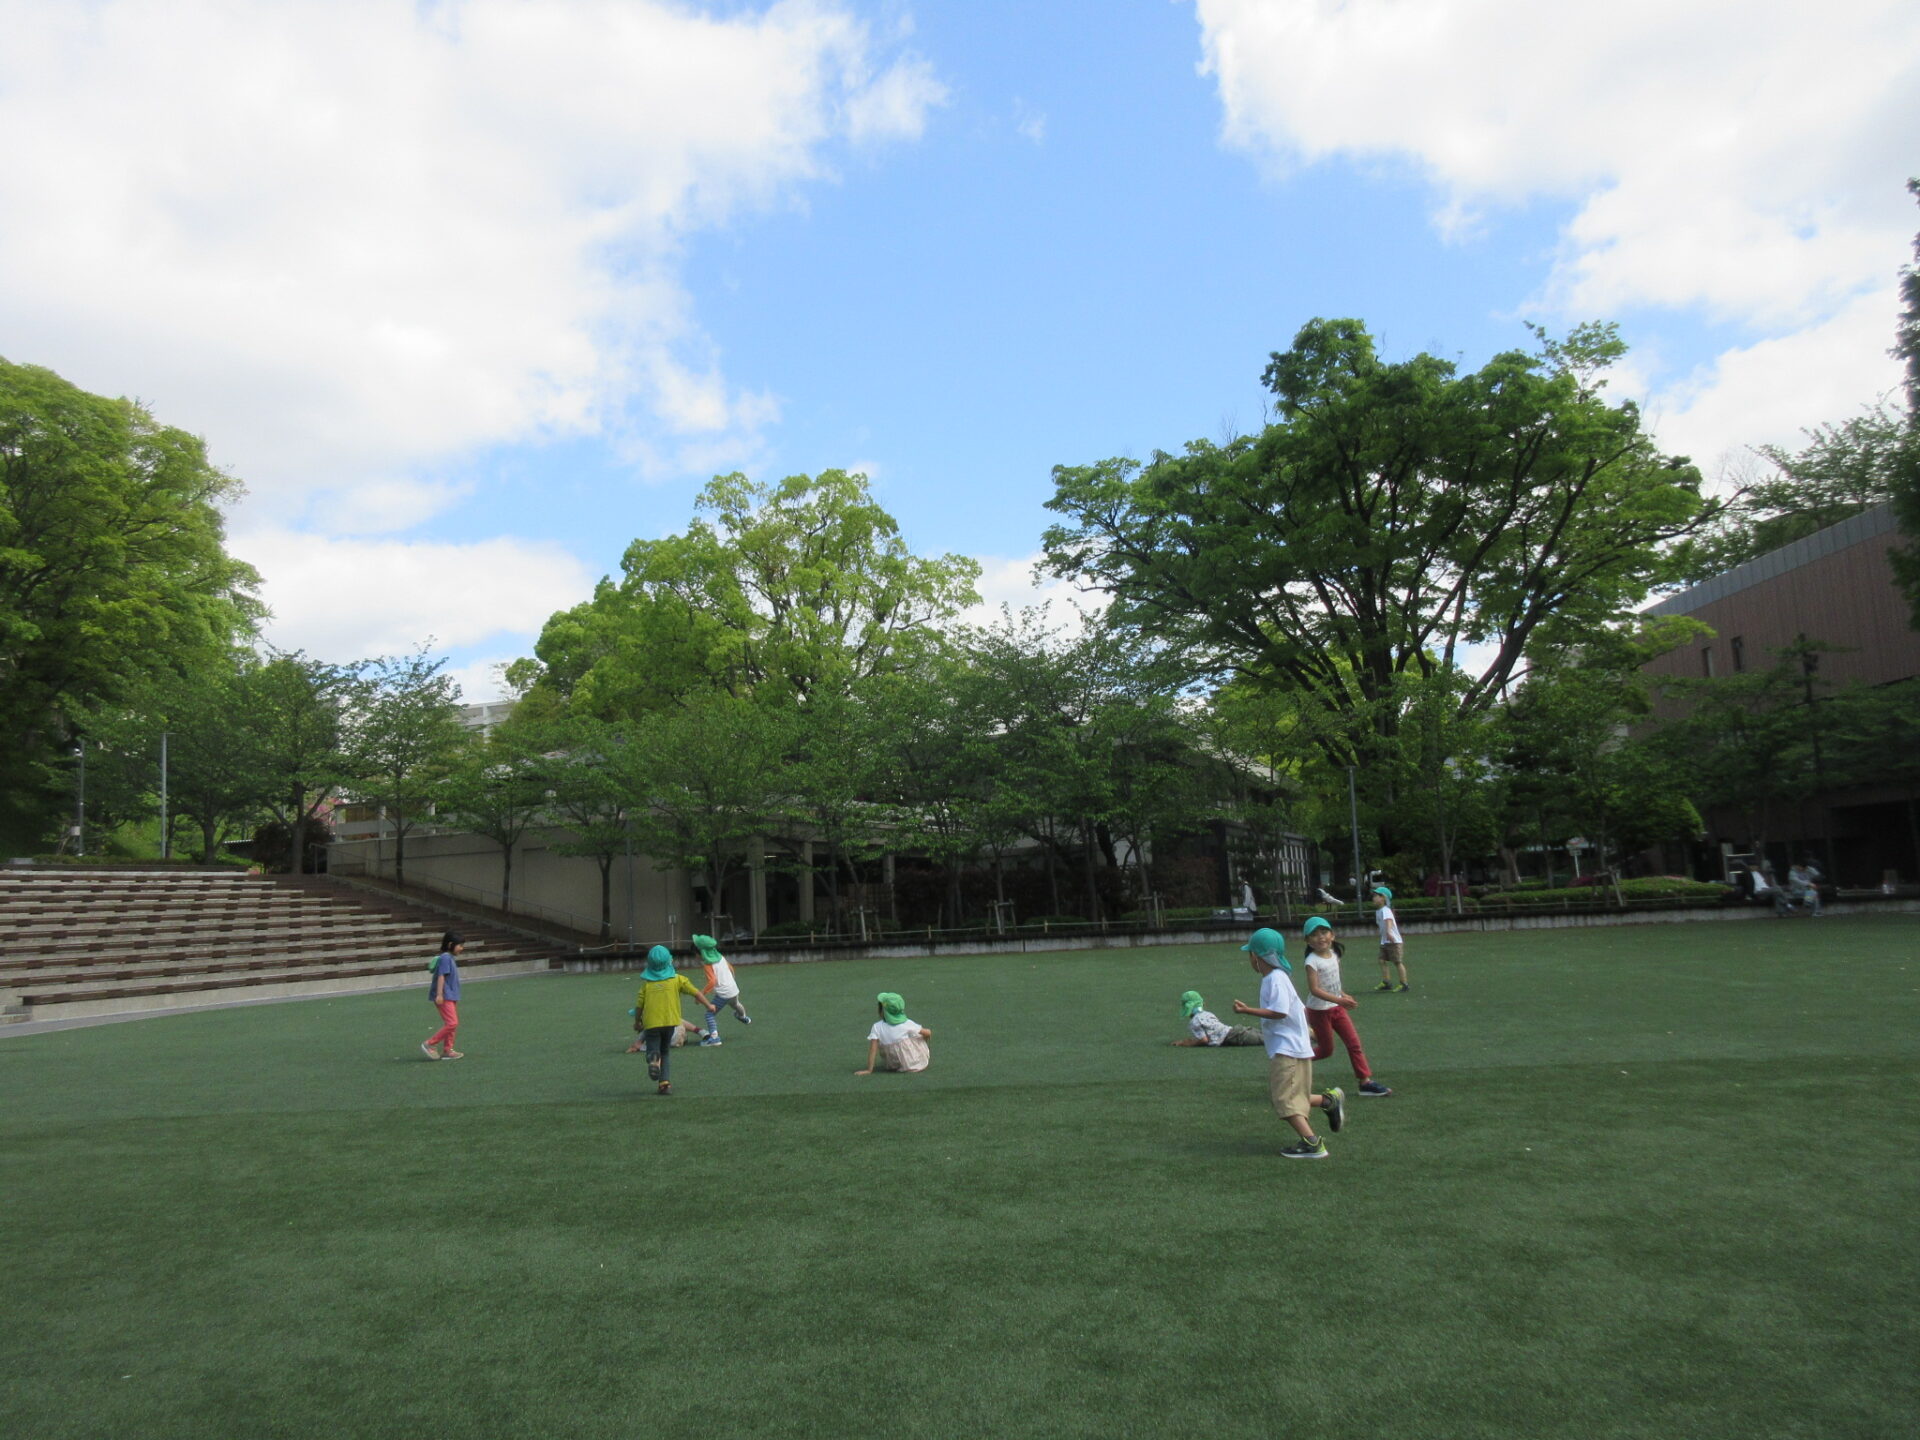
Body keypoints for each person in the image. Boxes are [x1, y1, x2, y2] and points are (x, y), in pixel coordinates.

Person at [1230, 927, 1343, 1159]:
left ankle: (1312, 1143)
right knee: (1294, 1094)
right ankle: (1329, 1101)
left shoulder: (1275, 979)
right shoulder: (1278, 978)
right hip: (1294, 1048)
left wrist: (1247, 1010)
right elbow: (1297, 1009)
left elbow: (1280, 1011)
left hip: (1287, 1050)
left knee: (1284, 1100)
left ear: (1256, 956)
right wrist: (1308, 1032)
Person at [1300, 918, 1392, 1096]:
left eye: (1324, 932)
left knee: (1354, 1043)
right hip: (1319, 1011)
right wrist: (1339, 1000)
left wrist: (1342, 994)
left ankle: (1365, 1082)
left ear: (1332, 935)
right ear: (1308, 941)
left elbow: (1333, 982)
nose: (1320, 937)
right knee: (1326, 1050)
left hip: (1336, 1007)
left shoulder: (1334, 955)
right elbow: (1315, 989)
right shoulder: (1312, 961)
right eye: (1314, 934)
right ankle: (1295, 1062)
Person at [634, 946, 716, 1096]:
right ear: (669, 962)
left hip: (651, 1024)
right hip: (671, 1023)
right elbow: (696, 992)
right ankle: (664, 1084)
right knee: (665, 1052)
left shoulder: (647, 984)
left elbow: (639, 1005)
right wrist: (708, 1005)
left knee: (654, 1050)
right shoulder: (678, 979)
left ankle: (653, 1059)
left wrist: (637, 1022)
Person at [692, 933, 752, 1044]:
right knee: (736, 1004)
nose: (695, 957)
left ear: (701, 953)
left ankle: (714, 1038)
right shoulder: (721, 958)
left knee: (709, 1014)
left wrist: (701, 994)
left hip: (723, 994)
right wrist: (731, 982)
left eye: (695, 954)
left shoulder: (708, 965)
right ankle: (743, 1017)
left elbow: (712, 981)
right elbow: (731, 968)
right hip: (733, 989)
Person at [856, 992, 932, 1075]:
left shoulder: (877, 1026)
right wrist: (923, 1041)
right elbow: (928, 1033)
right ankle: (919, 1055)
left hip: (891, 1064)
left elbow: (873, 1049)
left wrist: (869, 1070)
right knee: (917, 1035)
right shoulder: (907, 1023)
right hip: (911, 1062)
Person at [421, 931, 465, 1061]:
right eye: (460, 945)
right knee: (452, 1023)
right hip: (445, 996)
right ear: (451, 944)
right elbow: (441, 976)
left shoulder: (449, 957)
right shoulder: (446, 957)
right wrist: (439, 994)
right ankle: (430, 1043)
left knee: (451, 1023)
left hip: (451, 995)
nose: (462, 948)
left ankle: (448, 1050)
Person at [1172, 990, 1263, 1047]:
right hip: (1235, 1030)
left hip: (1232, 1037)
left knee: (1265, 1040)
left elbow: (1204, 1040)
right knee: (1264, 1035)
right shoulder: (1207, 1014)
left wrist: (1186, 1043)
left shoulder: (1194, 1022)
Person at [1372, 886, 1409, 992]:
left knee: (1397, 962)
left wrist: (1388, 932)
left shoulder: (1386, 910)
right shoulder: (1378, 911)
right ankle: (1386, 982)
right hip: (1385, 941)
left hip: (1393, 941)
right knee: (1381, 960)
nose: (1373, 898)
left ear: (1383, 898)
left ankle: (1404, 984)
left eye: (1376, 896)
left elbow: (1389, 921)